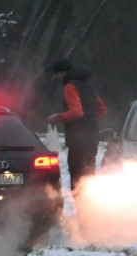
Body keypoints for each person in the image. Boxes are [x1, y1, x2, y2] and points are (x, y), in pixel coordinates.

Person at [47, 58, 107, 193]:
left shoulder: (70, 86)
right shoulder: (88, 85)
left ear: (62, 72)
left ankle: (80, 206)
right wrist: (91, 124)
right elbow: (102, 109)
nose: (57, 77)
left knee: (77, 174)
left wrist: (57, 117)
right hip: (92, 138)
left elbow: (77, 112)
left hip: (77, 140)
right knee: (89, 173)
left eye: (57, 74)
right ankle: (92, 207)